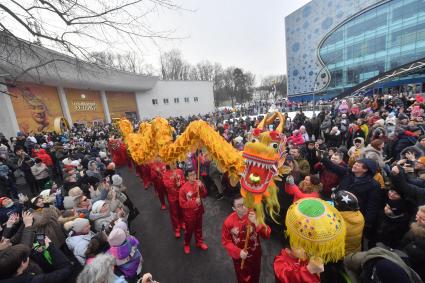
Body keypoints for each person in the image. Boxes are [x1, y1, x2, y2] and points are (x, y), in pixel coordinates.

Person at [222, 194, 271, 283]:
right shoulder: (228, 222)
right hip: (240, 257)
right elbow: (226, 241)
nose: (244, 207)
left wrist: (257, 223)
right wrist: (238, 252)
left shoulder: (254, 214)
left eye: (245, 203)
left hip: (255, 254)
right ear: (234, 209)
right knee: (243, 279)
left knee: (256, 274)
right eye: (239, 206)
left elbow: (267, 235)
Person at [179, 170, 208, 254]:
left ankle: (199, 242)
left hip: (199, 211)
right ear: (187, 177)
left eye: (194, 174)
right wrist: (194, 202)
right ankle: (186, 243)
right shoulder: (183, 189)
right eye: (191, 175)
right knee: (189, 230)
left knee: (199, 228)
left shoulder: (198, 183)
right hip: (189, 214)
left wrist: (202, 186)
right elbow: (182, 204)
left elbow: (205, 195)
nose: (193, 176)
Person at [163, 163, 185, 238]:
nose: (174, 164)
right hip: (172, 197)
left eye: (174, 162)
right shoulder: (165, 174)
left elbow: (183, 180)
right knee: (174, 213)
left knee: (181, 210)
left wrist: (180, 183)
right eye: (172, 163)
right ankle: (177, 229)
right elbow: (166, 184)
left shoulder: (180, 171)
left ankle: (182, 223)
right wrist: (174, 181)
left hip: (180, 195)